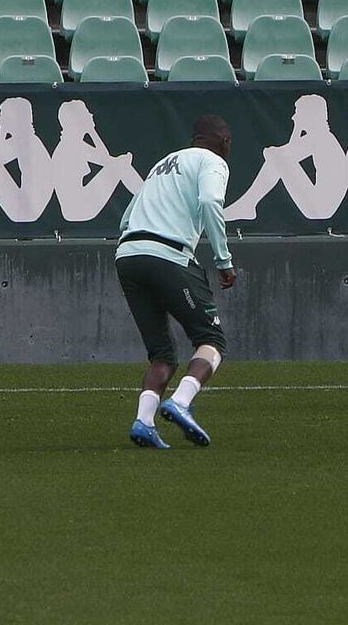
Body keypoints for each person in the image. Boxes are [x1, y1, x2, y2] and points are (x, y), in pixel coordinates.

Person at [117, 116, 237, 449]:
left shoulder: (163, 164)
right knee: (211, 340)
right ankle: (181, 401)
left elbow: (126, 217)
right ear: (224, 141)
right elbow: (211, 201)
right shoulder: (212, 162)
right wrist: (223, 260)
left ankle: (144, 422)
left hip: (127, 256)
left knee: (162, 355)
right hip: (169, 255)